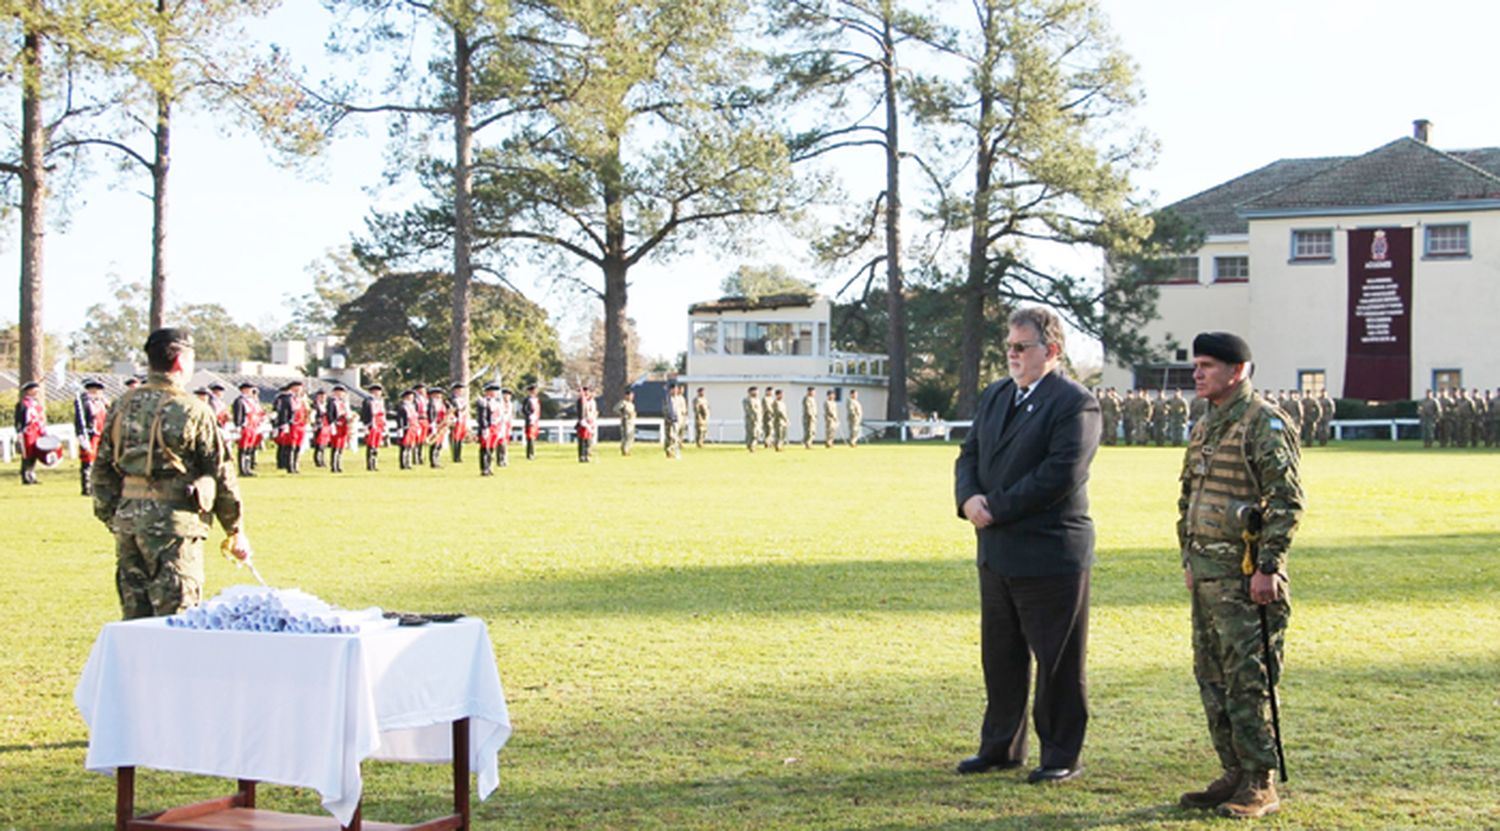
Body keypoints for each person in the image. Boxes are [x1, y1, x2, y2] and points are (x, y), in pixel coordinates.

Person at [952, 306, 1101, 785]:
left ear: (1051, 350)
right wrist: (968, 498)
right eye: (1009, 348)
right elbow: (969, 453)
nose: (1012, 356)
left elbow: (1059, 474)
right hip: (997, 551)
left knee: (1056, 661)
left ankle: (1060, 755)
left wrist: (995, 506)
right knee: (1001, 657)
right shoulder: (997, 395)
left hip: (1049, 553)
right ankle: (1000, 747)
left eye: (1022, 347)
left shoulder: (1074, 403)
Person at [1176, 332, 1304, 819]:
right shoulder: (1206, 423)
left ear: (1239, 370)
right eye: (1197, 365)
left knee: (1249, 678)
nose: (1198, 373)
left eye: (1208, 365)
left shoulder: (1264, 423)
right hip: (1208, 576)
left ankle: (1260, 782)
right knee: (1212, 676)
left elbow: (1286, 501)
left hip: (1247, 577)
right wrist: (1189, 558)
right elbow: (1189, 495)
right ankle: (1232, 770)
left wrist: (1268, 566)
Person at [91, 328, 251, 619]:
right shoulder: (192, 409)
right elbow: (220, 472)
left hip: (128, 526)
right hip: (174, 528)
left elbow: (101, 471)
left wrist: (115, 516)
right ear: (180, 362)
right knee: (177, 619)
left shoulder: (121, 405)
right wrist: (235, 529)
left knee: (135, 619)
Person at [74, 378, 109, 495]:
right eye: (95, 390)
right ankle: (87, 487)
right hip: (90, 435)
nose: (97, 392)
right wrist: (81, 437)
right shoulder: (84, 403)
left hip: (101, 435)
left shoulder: (102, 403)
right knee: (88, 461)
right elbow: (79, 421)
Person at [273, 380, 309, 474]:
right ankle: (290, 466)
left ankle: (296, 465)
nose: (298, 391)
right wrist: (284, 424)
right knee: (291, 446)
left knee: (298, 446)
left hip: (301, 425)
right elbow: (284, 412)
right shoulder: (287, 399)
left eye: (300, 389)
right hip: (292, 425)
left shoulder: (302, 400)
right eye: (296, 388)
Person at [14, 381, 47, 485]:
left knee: (34, 453)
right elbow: (19, 419)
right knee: (27, 454)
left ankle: (32, 474)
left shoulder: (36, 403)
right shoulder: (23, 404)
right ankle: (26, 476)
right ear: (29, 391)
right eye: (34, 389)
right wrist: (19, 432)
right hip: (27, 431)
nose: (36, 391)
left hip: (36, 431)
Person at [476, 383, 509, 475]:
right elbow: (482, 417)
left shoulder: (497, 403)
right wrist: (484, 428)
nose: (494, 393)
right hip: (488, 428)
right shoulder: (483, 402)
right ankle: (484, 468)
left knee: (491, 448)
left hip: (496, 428)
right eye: (492, 391)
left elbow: (500, 416)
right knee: (485, 448)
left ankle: (489, 467)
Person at [232, 382, 263, 477]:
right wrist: (238, 426)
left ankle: (248, 467)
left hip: (253, 426)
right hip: (245, 426)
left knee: (250, 448)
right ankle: (242, 469)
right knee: (243, 448)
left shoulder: (252, 401)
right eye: (249, 389)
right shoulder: (240, 401)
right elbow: (238, 414)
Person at [326, 385, 353, 473]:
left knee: (341, 445)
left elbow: (348, 414)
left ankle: (339, 464)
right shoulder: (332, 402)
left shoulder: (345, 403)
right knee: (336, 445)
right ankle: (334, 465)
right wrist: (332, 424)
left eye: (341, 392)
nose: (340, 394)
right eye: (337, 392)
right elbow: (329, 414)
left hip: (344, 425)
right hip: (337, 424)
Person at [361, 383, 387, 471]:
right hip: (372, 424)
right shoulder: (368, 401)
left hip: (379, 424)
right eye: (375, 391)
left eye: (378, 391)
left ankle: (375, 463)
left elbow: (383, 414)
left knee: (376, 445)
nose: (377, 393)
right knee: (371, 445)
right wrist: (365, 425)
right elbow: (364, 414)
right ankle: (370, 464)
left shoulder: (381, 401)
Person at [397, 389, 422, 469]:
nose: (411, 398)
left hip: (413, 427)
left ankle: (409, 462)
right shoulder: (402, 407)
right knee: (404, 446)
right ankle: (403, 463)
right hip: (406, 427)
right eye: (409, 397)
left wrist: (417, 426)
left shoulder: (413, 406)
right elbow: (400, 418)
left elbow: (415, 417)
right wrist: (400, 428)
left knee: (410, 445)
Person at [426, 387, 450, 468]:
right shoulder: (431, 404)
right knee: (434, 443)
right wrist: (432, 424)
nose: (438, 396)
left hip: (442, 425)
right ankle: (433, 461)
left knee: (440, 444)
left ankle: (437, 460)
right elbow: (430, 415)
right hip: (435, 424)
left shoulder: (443, 403)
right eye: (436, 394)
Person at [575, 386, 598, 463]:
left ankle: (587, 455)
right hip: (583, 422)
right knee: (582, 440)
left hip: (590, 421)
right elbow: (580, 412)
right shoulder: (581, 401)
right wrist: (582, 420)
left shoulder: (592, 401)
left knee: (588, 440)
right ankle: (582, 456)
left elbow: (593, 411)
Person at [310, 389, 331, 468]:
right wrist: (313, 424)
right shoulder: (315, 405)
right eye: (321, 396)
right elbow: (312, 415)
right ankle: (318, 460)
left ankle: (322, 460)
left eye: (324, 396)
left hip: (326, 426)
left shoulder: (327, 405)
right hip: (319, 425)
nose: (323, 398)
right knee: (319, 444)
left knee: (324, 444)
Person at [449, 382, 469, 463]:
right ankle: (455, 456)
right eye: (458, 390)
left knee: (460, 439)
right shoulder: (451, 400)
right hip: (455, 421)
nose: (459, 391)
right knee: (455, 439)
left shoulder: (463, 400)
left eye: (461, 390)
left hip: (462, 421)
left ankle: (459, 456)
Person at [522, 384, 543, 460]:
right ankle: (530, 454)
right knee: (530, 437)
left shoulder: (537, 400)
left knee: (533, 437)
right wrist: (529, 415)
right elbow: (524, 410)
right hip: (530, 421)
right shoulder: (527, 400)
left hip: (535, 421)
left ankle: (532, 453)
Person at [615, 389, 637, 456]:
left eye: (632, 396)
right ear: (626, 396)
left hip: (631, 422)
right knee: (626, 436)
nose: (632, 397)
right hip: (626, 422)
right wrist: (623, 414)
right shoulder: (623, 403)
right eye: (630, 395)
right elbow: (616, 409)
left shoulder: (632, 404)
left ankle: (628, 449)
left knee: (631, 436)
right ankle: (625, 450)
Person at [661, 384, 681, 459]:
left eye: (676, 389)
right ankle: (669, 451)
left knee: (675, 436)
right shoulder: (668, 399)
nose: (676, 391)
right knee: (670, 436)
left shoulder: (678, 399)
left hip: (677, 420)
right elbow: (666, 410)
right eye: (674, 389)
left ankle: (672, 451)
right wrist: (670, 418)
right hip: (669, 420)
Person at [742, 387, 762, 452]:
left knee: (757, 433)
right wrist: (753, 417)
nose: (757, 393)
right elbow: (748, 410)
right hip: (751, 419)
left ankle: (752, 446)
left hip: (758, 420)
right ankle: (751, 446)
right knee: (752, 434)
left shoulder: (758, 400)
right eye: (755, 391)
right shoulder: (747, 400)